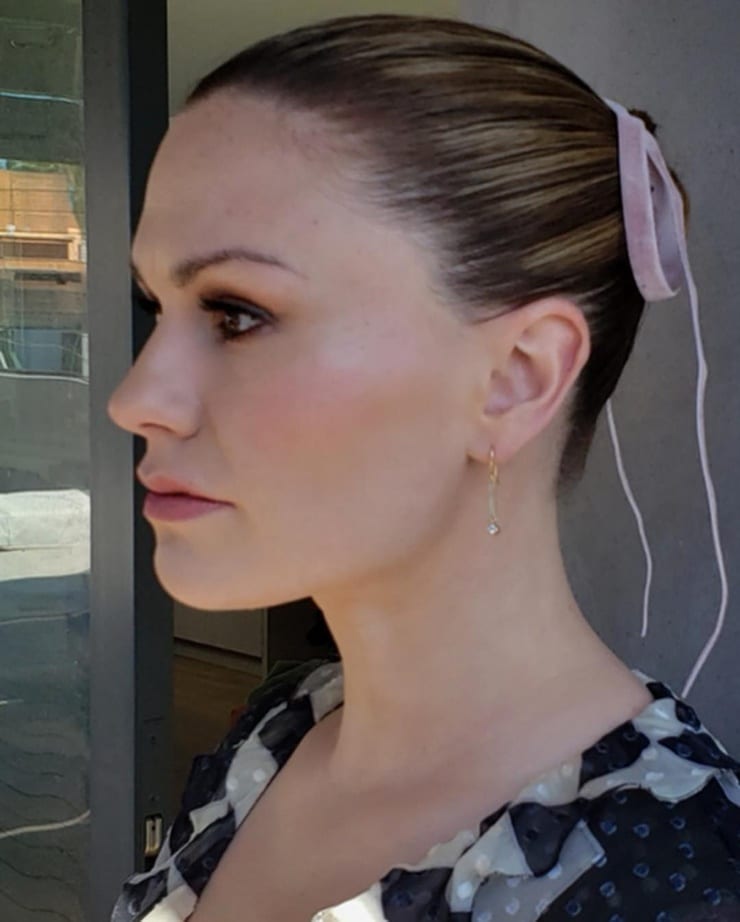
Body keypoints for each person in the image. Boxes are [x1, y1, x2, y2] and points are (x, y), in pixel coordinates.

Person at [107, 13, 740, 922]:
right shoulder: (278, 733)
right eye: (154, 308)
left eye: (237, 313)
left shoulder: (671, 884)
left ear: (515, 379)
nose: (136, 398)